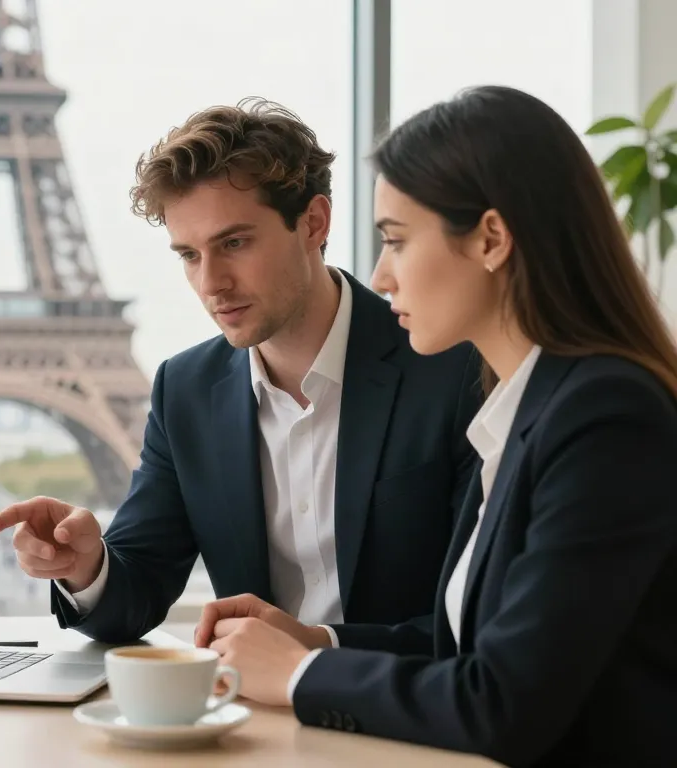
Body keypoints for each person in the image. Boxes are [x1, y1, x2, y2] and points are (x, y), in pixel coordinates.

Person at [194, 85, 677, 767]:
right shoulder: (525, 407)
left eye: (395, 240)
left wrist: (297, 676)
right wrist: (312, 642)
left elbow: (503, 702)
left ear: (490, 238)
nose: (379, 275)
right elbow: (469, 650)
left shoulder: (605, 417)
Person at [0, 98, 482, 646]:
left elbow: (478, 624)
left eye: (234, 243)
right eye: (189, 256)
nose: (210, 283)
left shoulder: (453, 369)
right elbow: (136, 589)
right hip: (248, 717)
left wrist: (315, 647)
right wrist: (86, 566)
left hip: (405, 716)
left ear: (313, 223)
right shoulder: (186, 390)